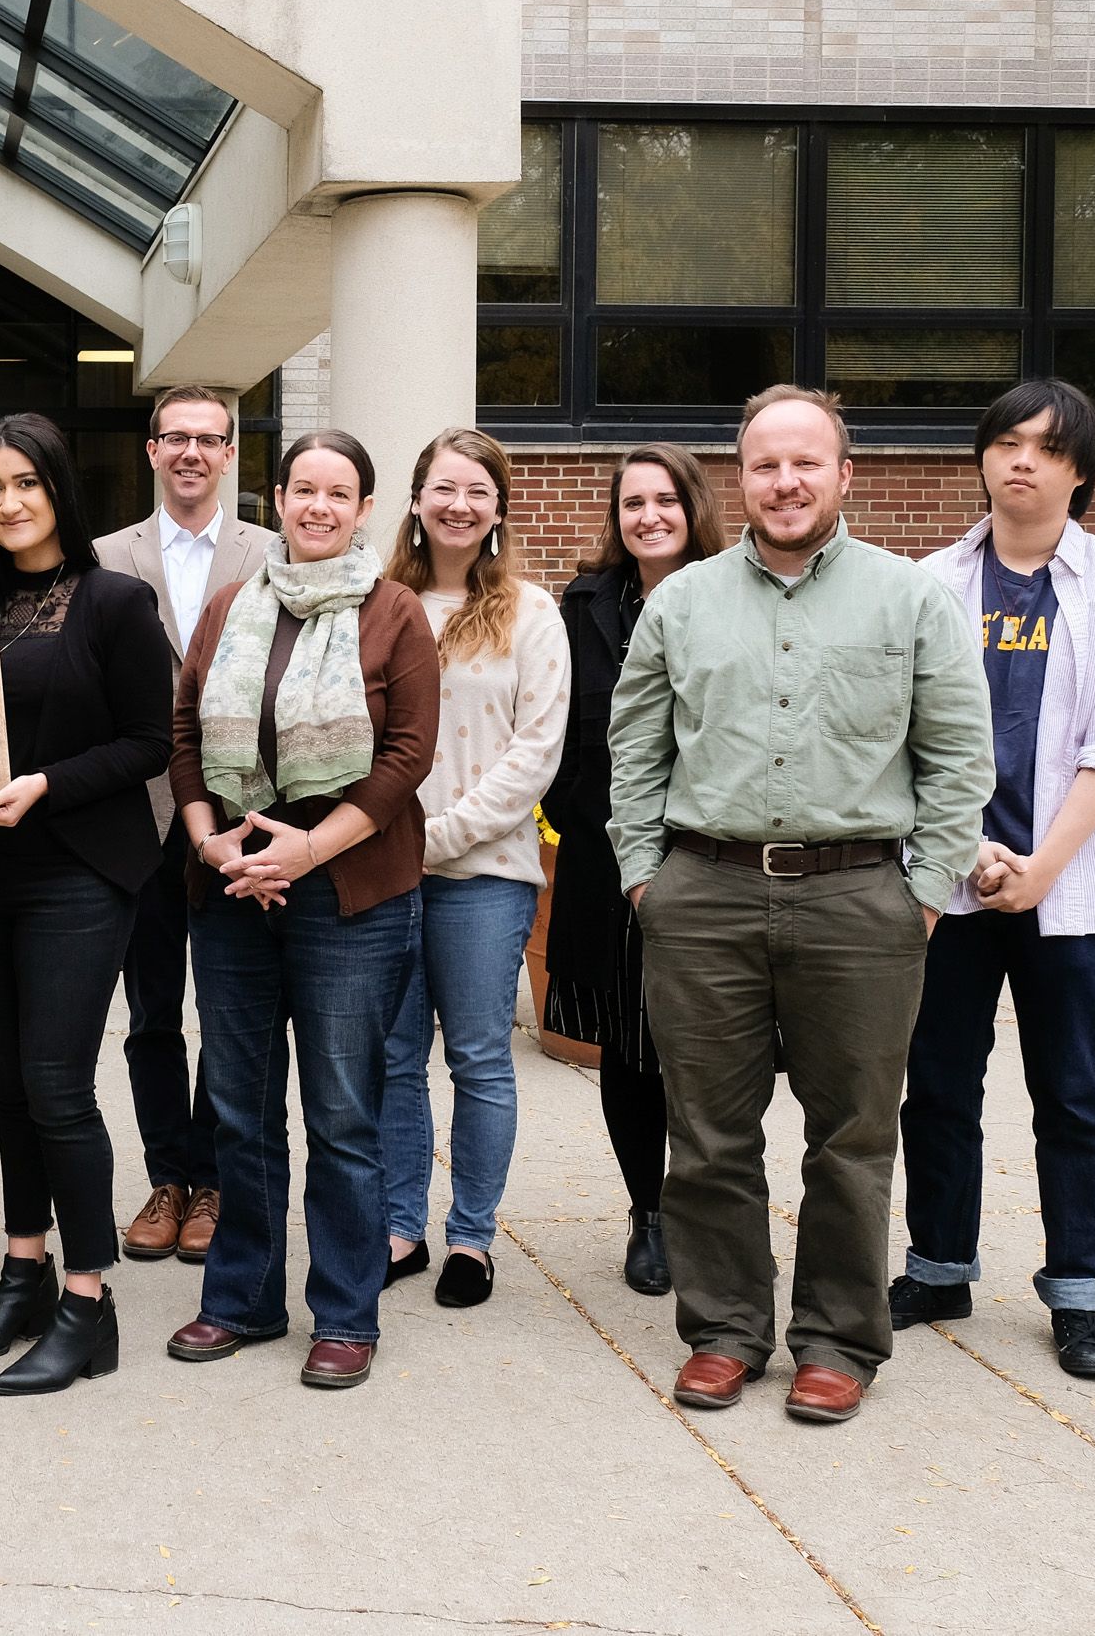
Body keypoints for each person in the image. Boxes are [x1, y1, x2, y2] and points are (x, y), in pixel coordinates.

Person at [607, 385, 990, 1425]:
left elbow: (958, 758)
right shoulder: (681, 603)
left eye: (805, 463)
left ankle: (837, 1341)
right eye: (766, 465)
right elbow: (635, 749)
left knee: (852, 1138)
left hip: (860, 900)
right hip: (704, 897)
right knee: (711, 1134)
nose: (785, 482)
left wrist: (920, 893)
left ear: (843, 475)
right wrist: (648, 877)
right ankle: (725, 1331)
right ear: (743, 478)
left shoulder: (910, 599)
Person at [897, 381, 1095, 1383]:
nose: (1019, 461)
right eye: (1004, 443)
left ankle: (1080, 1296)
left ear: (1079, 472)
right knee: (936, 1085)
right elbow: (912, 734)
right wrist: (968, 850)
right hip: (952, 880)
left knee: (1072, 1092)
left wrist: (1042, 865)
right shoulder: (932, 584)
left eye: (1044, 449)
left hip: (1074, 889)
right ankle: (938, 1268)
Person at [163, 432, 440, 1390]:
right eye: (302, 490)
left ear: (365, 509)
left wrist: (307, 848)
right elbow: (186, 732)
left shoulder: (395, 612)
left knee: (342, 1114)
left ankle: (345, 1314)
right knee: (240, 1113)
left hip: (348, 893)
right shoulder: (232, 606)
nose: (318, 507)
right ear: (276, 500)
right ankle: (240, 1299)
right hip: (234, 887)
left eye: (340, 493)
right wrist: (210, 839)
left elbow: (408, 757)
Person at [0, 412, 172, 1397]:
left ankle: (88, 1299)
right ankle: (23, 1269)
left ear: (59, 490)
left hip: (76, 869)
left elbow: (148, 742)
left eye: (26, 483)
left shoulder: (115, 601)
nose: (9, 503)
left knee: (58, 1085)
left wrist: (41, 786)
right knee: (11, 1087)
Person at [378, 428, 570, 1309]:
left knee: (483, 1060)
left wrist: (434, 836)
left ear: (498, 511)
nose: (459, 505)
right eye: (444, 488)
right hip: (376, 869)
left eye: (478, 492)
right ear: (416, 500)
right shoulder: (375, 604)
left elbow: (535, 753)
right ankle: (398, 1227)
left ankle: (471, 1239)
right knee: (392, 1057)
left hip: (484, 875)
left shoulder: (532, 613)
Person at [93, 384, 275, 1265]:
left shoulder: (274, 554)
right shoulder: (103, 557)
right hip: (139, 818)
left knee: (233, 1010)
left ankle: (214, 1179)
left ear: (232, 453)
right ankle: (166, 1177)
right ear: (153, 450)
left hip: (240, 817)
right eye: (176, 438)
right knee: (153, 1012)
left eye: (210, 438)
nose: (192, 453)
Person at [541, 445, 728, 1298]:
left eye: (665, 500)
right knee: (626, 1040)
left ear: (693, 507)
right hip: (601, 855)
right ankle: (647, 1213)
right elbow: (554, 726)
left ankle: (706, 1209)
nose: (649, 516)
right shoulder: (582, 606)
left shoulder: (737, 592)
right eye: (632, 503)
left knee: (704, 1045)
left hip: (708, 858)